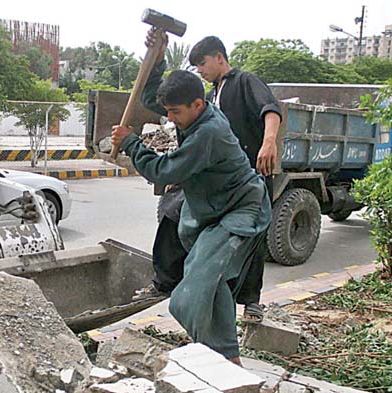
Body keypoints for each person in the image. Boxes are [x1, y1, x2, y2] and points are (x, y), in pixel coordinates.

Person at [110, 61, 271, 364]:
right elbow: (151, 100)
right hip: (213, 209)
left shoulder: (208, 132)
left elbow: (163, 171)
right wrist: (158, 58)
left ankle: (212, 355)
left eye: (175, 113)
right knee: (214, 284)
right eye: (168, 112)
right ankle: (227, 356)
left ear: (198, 104)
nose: (170, 119)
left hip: (240, 209)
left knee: (190, 294)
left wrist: (132, 143)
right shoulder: (194, 115)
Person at [140, 32, 282, 324]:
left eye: (202, 63)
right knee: (172, 211)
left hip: (247, 178)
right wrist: (157, 57)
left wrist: (269, 142)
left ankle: (251, 302)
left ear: (220, 57)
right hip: (208, 178)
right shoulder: (205, 98)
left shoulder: (244, 82)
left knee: (250, 239)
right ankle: (165, 282)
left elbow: (270, 108)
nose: (200, 70)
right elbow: (157, 96)